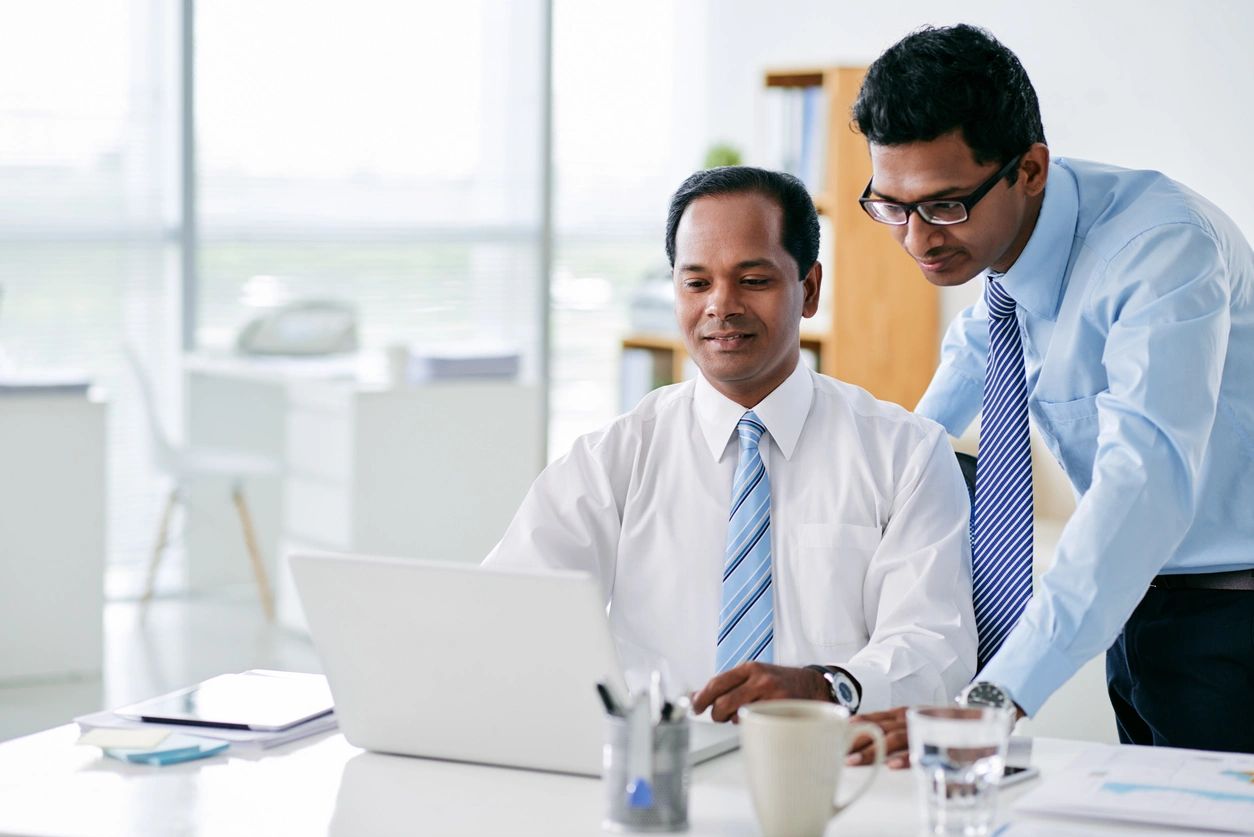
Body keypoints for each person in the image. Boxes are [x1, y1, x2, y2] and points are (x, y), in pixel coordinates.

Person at [846, 23, 1254, 763]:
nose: (917, 241)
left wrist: (998, 696)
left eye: (944, 205)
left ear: (1029, 169)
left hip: (1232, 620)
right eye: (893, 207)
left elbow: (1145, 479)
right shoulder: (1005, 266)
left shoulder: (1160, 251)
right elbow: (951, 393)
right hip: (1136, 608)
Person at [484, 166, 977, 720]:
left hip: (833, 769)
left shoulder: (906, 453)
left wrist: (824, 688)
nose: (722, 305)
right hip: (656, 775)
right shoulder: (614, 458)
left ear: (809, 289)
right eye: (697, 283)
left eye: (753, 280)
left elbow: (936, 648)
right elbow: (508, 611)